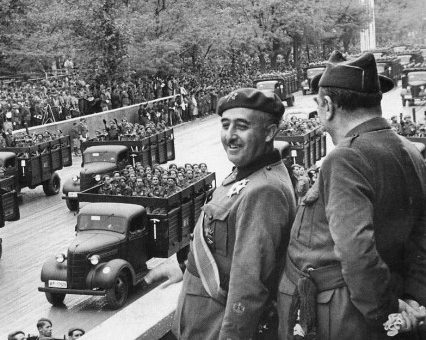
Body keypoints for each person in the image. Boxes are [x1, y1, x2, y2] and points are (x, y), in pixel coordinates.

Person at [277, 51, 426, 339]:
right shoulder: (410, 149)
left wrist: (388, 310)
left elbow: (356, 249)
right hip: (386, 299)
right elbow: (421, 236)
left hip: (341, 313)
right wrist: (412, 298)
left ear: (328, 106)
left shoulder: (346, 157)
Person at [145, 88, 297, 339]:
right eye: (225, 125)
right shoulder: (246, 174)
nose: (230, 136)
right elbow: (227, 252)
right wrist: (187, 269)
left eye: (241, 126)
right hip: (202, 324)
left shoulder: (265, 190)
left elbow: (249, 287)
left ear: (269, 132)